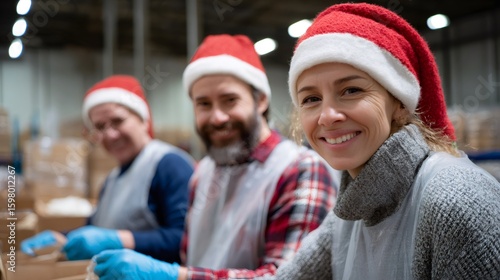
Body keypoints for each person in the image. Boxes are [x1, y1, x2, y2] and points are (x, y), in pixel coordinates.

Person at [265, 3, 500, 279]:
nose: (327, 116)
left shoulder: (455, 200)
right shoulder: (352, 210)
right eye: (311, 99)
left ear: (399, 104)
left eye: (351, 90)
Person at [92, 34, 338, 279]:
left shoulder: (299, 169)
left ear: (261, 100)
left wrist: (175, 276)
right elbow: (192, 258)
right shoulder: (203, 173)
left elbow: (287, 276)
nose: (217, 117)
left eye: (229, 100)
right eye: (204, 104)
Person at [21, 75, 195, 263]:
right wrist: (62, 237)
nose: (110, 135)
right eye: (100, 127)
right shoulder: (112, 179)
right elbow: (95, 229)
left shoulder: (169, 165)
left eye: (118, 121)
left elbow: (185, 240)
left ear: (144, 120)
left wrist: (119, 240)